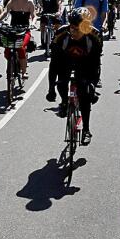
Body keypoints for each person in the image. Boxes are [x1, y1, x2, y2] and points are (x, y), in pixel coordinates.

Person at [46, 8, 102, 144]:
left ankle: (86, 130)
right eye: (72, 28)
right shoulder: (61, 34)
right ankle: (65, 102)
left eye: (79, 29)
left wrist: (92, 85)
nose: (74, 32)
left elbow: (96, 63)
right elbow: (54, 64)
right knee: (61, 83)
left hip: (86, 63)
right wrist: (51, 89)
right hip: (65, 60)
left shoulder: (95, 36)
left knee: (85, 93)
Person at [0, 0, 35, 79]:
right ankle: (12, 62)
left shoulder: (29, 3)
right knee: (7, 50)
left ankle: (23, 72)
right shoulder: (11, 2)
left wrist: (33, 23)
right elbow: (4, 12)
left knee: (21, 48)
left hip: (24, 30)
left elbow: (34, 16)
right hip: (12, 30)